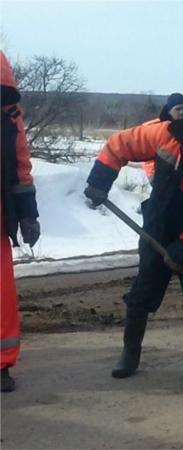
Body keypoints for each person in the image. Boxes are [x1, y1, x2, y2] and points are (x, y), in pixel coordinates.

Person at [84, 107, 183, 387]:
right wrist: (99, 180)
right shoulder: (167, 134)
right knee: (143, 291)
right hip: (160, 225)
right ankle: (130, 355)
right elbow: (117, 145)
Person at [1, 50, 41, 392]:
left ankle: (1, 364)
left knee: (1, 296)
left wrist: (28, 212)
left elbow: (20, 164)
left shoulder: (9, 116)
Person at [141, 93, 183, 183]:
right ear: (169, 111)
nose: (181, 112)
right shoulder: (158, 128)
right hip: (162, 175)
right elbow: (147, 154)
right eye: (178, 109)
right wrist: (154, 176)